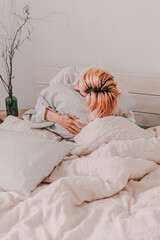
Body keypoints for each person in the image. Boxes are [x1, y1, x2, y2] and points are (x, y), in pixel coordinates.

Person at [23, 66, 120, 138]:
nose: (75, 87)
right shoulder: (68, 75)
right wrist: (59, 118)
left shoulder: (111, 99)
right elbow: (40, 105)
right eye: (78, 82)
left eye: (79, 89)